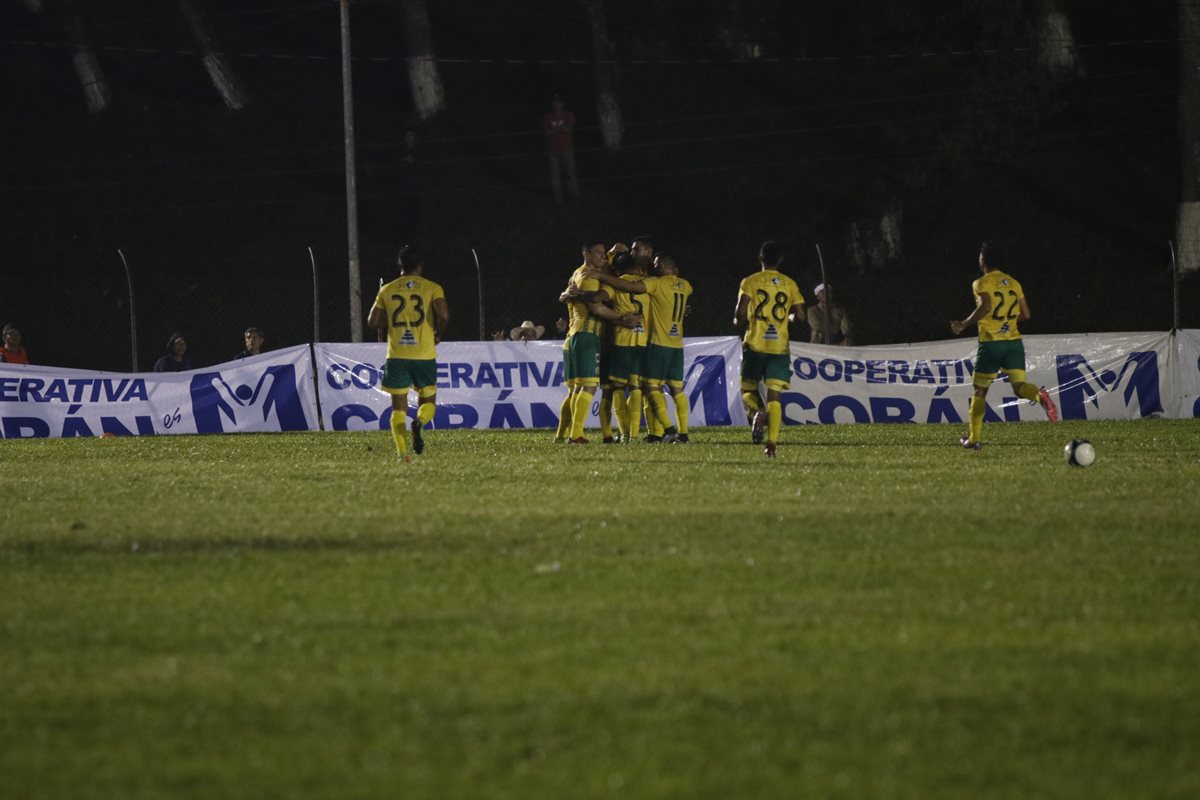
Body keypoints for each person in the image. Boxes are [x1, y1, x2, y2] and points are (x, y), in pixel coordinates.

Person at [949, 240, 1059, 450]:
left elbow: (986, 306)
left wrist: (963, 324)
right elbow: (1026, 314)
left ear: (982, 260)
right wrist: (1007, 322)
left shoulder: (981, 283)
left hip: (992, 344)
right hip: (1013, 343)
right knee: (1019, 388)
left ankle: (973, 439)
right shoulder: (1014, 283)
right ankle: (1039, 395)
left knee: (980, 391)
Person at [585, 251, 695, 444]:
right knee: (644, 389)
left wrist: (594, 290)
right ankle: (665, 433)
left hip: (625, 342)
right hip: (651, 341)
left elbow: (598, 298)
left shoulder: (645, 284)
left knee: (620, 389)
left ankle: (628, 435)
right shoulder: (680, 285)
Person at [367, 245, 450, 461]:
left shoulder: (387, 289)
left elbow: (372, 322)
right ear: (420, 266)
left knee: (398, 408)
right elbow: (444, 315)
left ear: (399, 265)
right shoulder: (432, 287)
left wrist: (391, 320)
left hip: (397, 355)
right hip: (424, 354)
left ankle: (403, 454)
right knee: (428, 400)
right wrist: (437, 334)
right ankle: (420, 423)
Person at [557, 241, 642, 444]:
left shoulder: (577, 272)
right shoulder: (590, 278)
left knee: (575, 390)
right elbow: (597, 308)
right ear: (586, 253)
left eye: (604, 253)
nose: (602, 257)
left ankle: (562, 435)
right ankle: (576, 434)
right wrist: (622, 319)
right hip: (587, 335)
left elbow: (566, 295)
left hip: (574, 335)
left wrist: (611, 252)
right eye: (598, 253)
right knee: (589, 388)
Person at [735, 241, 805, 458]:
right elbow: (801, 316)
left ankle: (756, 413)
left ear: (760, 259)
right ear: (780, 259)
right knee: (775, 396)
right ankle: (771, 445)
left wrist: (739, 320)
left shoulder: (751, 281)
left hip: (755, 344)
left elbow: (740, 310)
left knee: (747, 390)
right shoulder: (790, 283)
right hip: (779, 347)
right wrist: (787, 317)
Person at [544, 93, 580, 203]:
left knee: (570, 173)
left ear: (563, 104)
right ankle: (558, 199)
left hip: (566, 149)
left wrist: (554, 130)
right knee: (555, 177)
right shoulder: (547, 117)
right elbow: (546, 133)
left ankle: (574, 196)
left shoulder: (569, 115)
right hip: (552, 151)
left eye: (559, 102)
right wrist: (560, 128)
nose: (557, 104)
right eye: (555, 102)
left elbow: (568, 129)